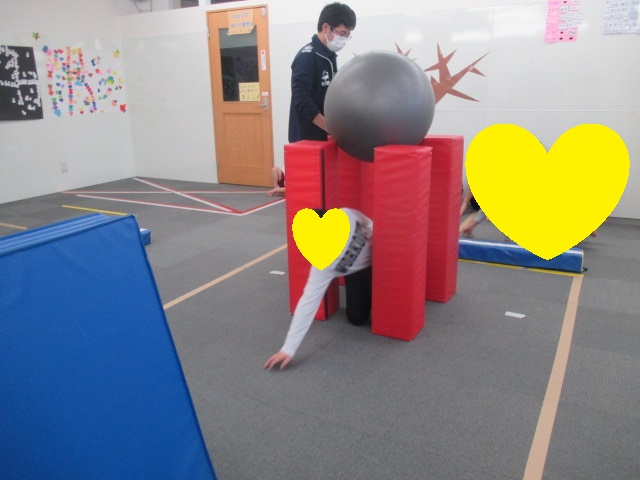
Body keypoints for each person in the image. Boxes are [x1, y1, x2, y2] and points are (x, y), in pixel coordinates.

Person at [264, 208, 372, 370]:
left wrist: (378, 243)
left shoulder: (347, 215)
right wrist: (288, 349)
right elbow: (308, 302)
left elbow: (368, 223)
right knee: (356, 319)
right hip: (358, 273)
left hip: (379, 256)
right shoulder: (322, 266)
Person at [288, 2, 356, 143]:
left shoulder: (330, 56)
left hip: (324, 136)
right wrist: (330, 128)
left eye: (348, 35)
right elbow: (302, 99)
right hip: (307, 138)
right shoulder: (307, 56)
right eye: (342, 33)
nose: (344, 39)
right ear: (326, 27)